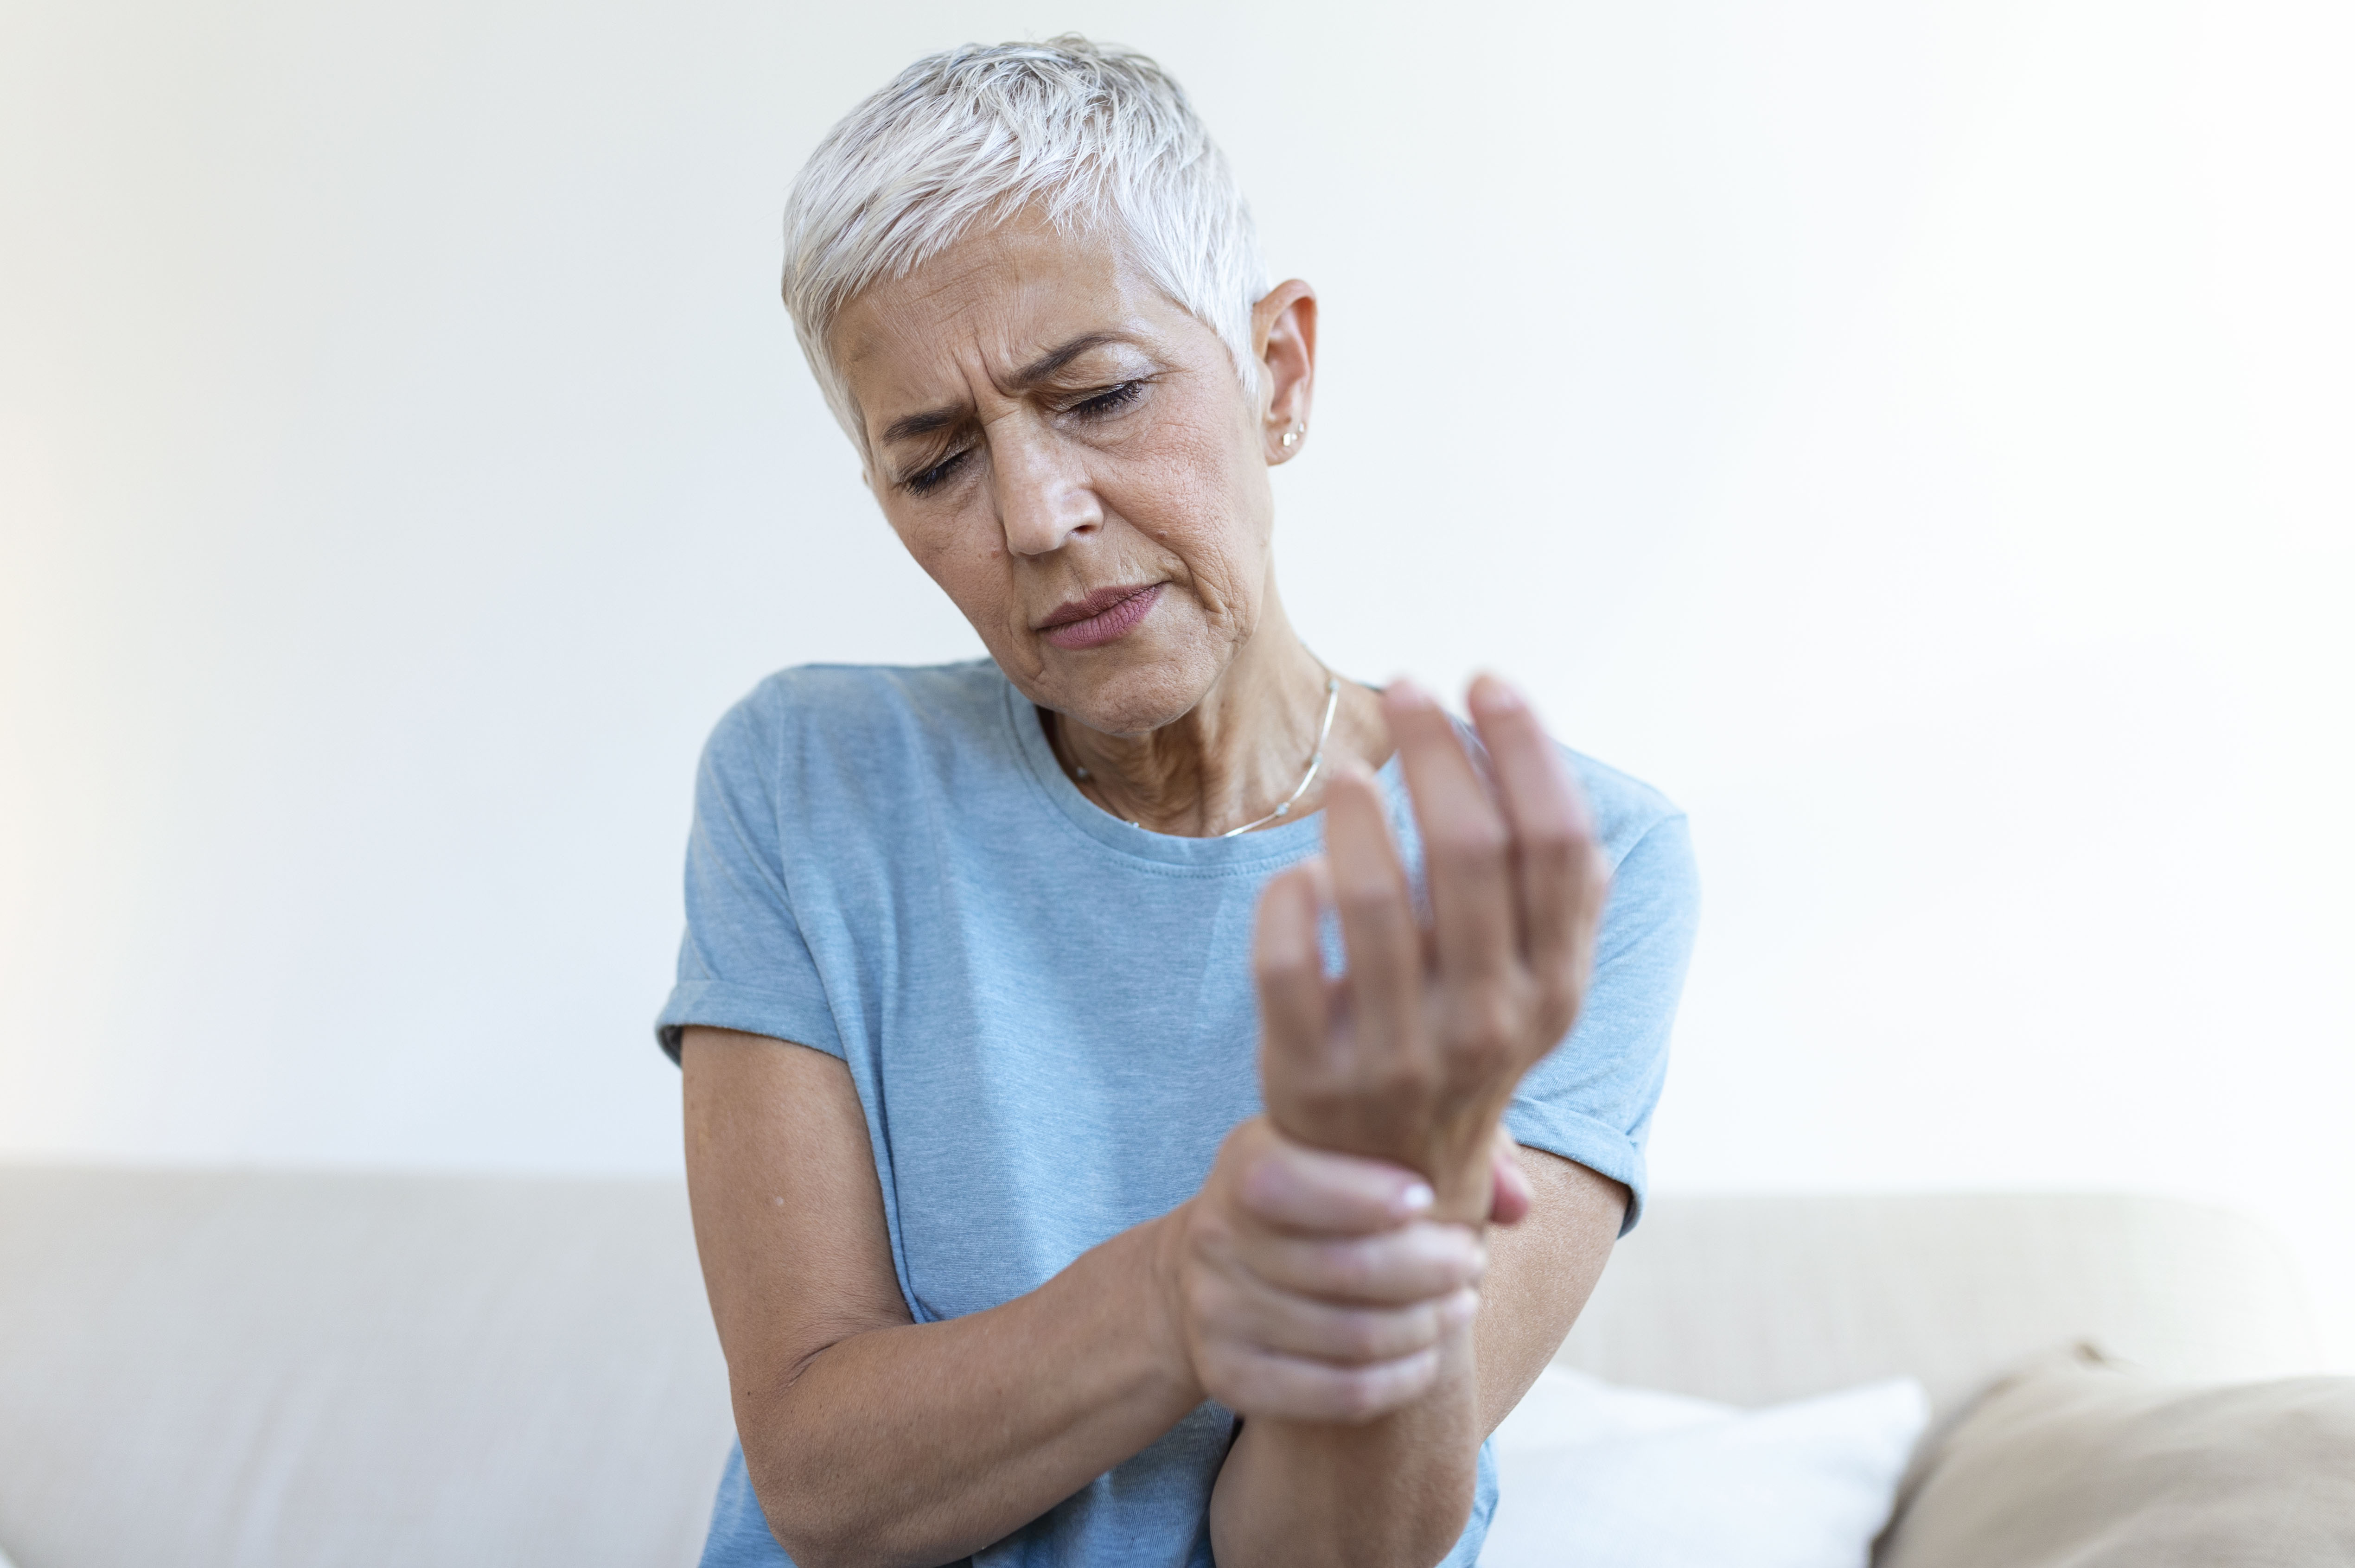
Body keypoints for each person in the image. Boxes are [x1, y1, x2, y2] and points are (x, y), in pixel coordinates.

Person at [656, 36, 1697, 1568]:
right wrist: (1192, 1283)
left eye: (1101, 395)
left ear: (1278, 372)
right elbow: (825, 1485)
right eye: (937, 466)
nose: (1037, 515)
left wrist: (1410, 1193)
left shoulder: (1571, 869)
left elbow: (1316, 1552)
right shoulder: (807, 782)